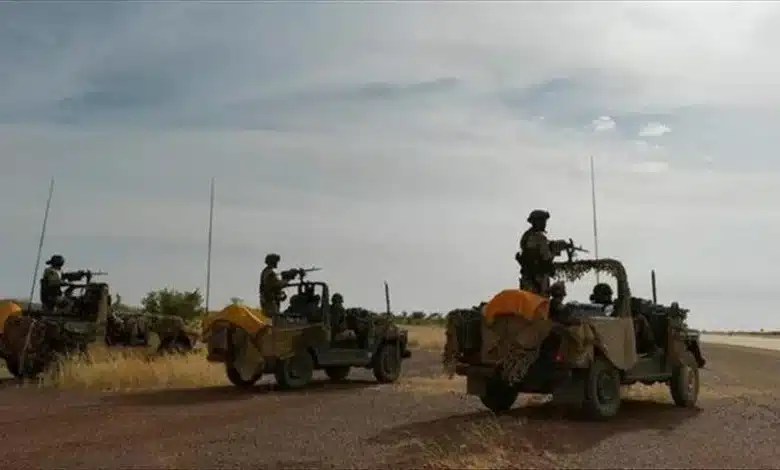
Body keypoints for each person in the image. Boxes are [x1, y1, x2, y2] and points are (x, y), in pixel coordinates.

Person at [259, 253, 288, 318]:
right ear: (273, 262)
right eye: (276, 261)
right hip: (269, 302)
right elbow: (276, 285)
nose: (277, 263)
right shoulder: (269, 273)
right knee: (275, 320)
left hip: (269, 301)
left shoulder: (267, 271)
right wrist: (287, 279)